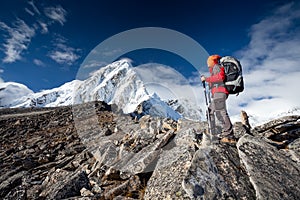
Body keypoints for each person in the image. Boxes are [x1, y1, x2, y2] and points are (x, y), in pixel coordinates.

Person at [201, 55, 235, 142]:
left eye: (209, 62)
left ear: (212, 61)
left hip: (220, 93)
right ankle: (213, 131)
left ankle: (228, 135)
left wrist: (206, 79)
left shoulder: (217, 67)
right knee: (210, 111)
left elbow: (220, 77)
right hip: (218, 93)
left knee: (221, 112)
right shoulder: (214, 69)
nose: (208, 64)